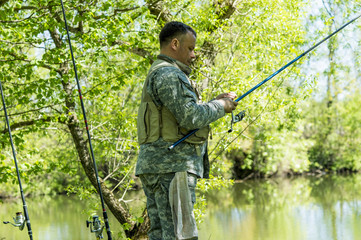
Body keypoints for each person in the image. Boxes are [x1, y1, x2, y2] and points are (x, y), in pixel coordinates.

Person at [135, 21, 238, 240]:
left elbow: (179, 114)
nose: (193, 55)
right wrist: (221, 106)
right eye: (190, 48)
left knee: (161, 235)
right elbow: (191, 116)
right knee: (180, 235)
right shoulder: (170, 74)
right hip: (172, 169)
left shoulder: (158, 72)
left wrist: (211, 103)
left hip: (158, 168)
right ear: (174, 44)